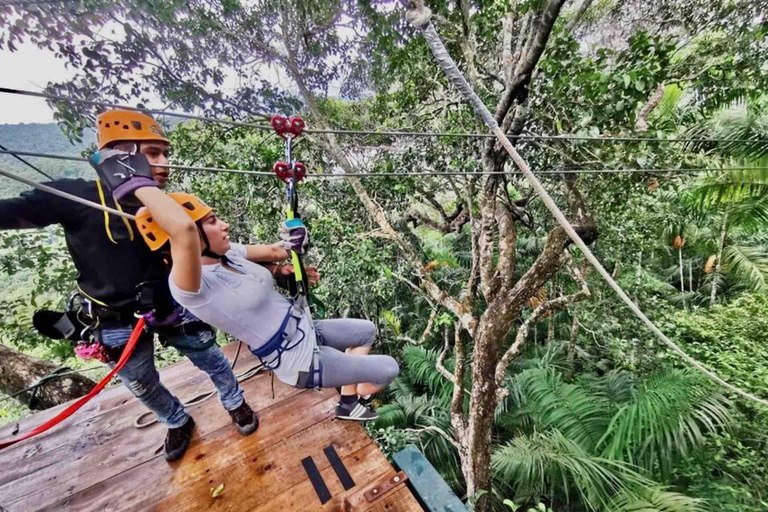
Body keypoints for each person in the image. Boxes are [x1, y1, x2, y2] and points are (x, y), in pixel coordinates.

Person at [0, 110, 288, 461]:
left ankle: (235, 401)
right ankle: (176, 420)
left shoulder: (172, 207)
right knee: (140, 381)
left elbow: (215, 250)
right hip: (113, 317)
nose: (164, 163)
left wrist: (272, 269)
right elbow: (12, 213)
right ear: (121, 154)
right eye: (153, 154)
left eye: (165, 154)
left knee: (210, 358)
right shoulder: (76, 198)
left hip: (171, 304)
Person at [92, 150, 400, 421]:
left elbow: (276, 251)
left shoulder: (228, 254)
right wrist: (135, 183)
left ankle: (347, 400)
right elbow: (183, 230)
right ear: (189, 239)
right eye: (212, 221)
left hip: (306, 329)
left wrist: (293, 239)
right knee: (388, 368)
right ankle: (352, 397)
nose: (224, 224)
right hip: (300, 360)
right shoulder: (189, 287)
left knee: (366, 331)